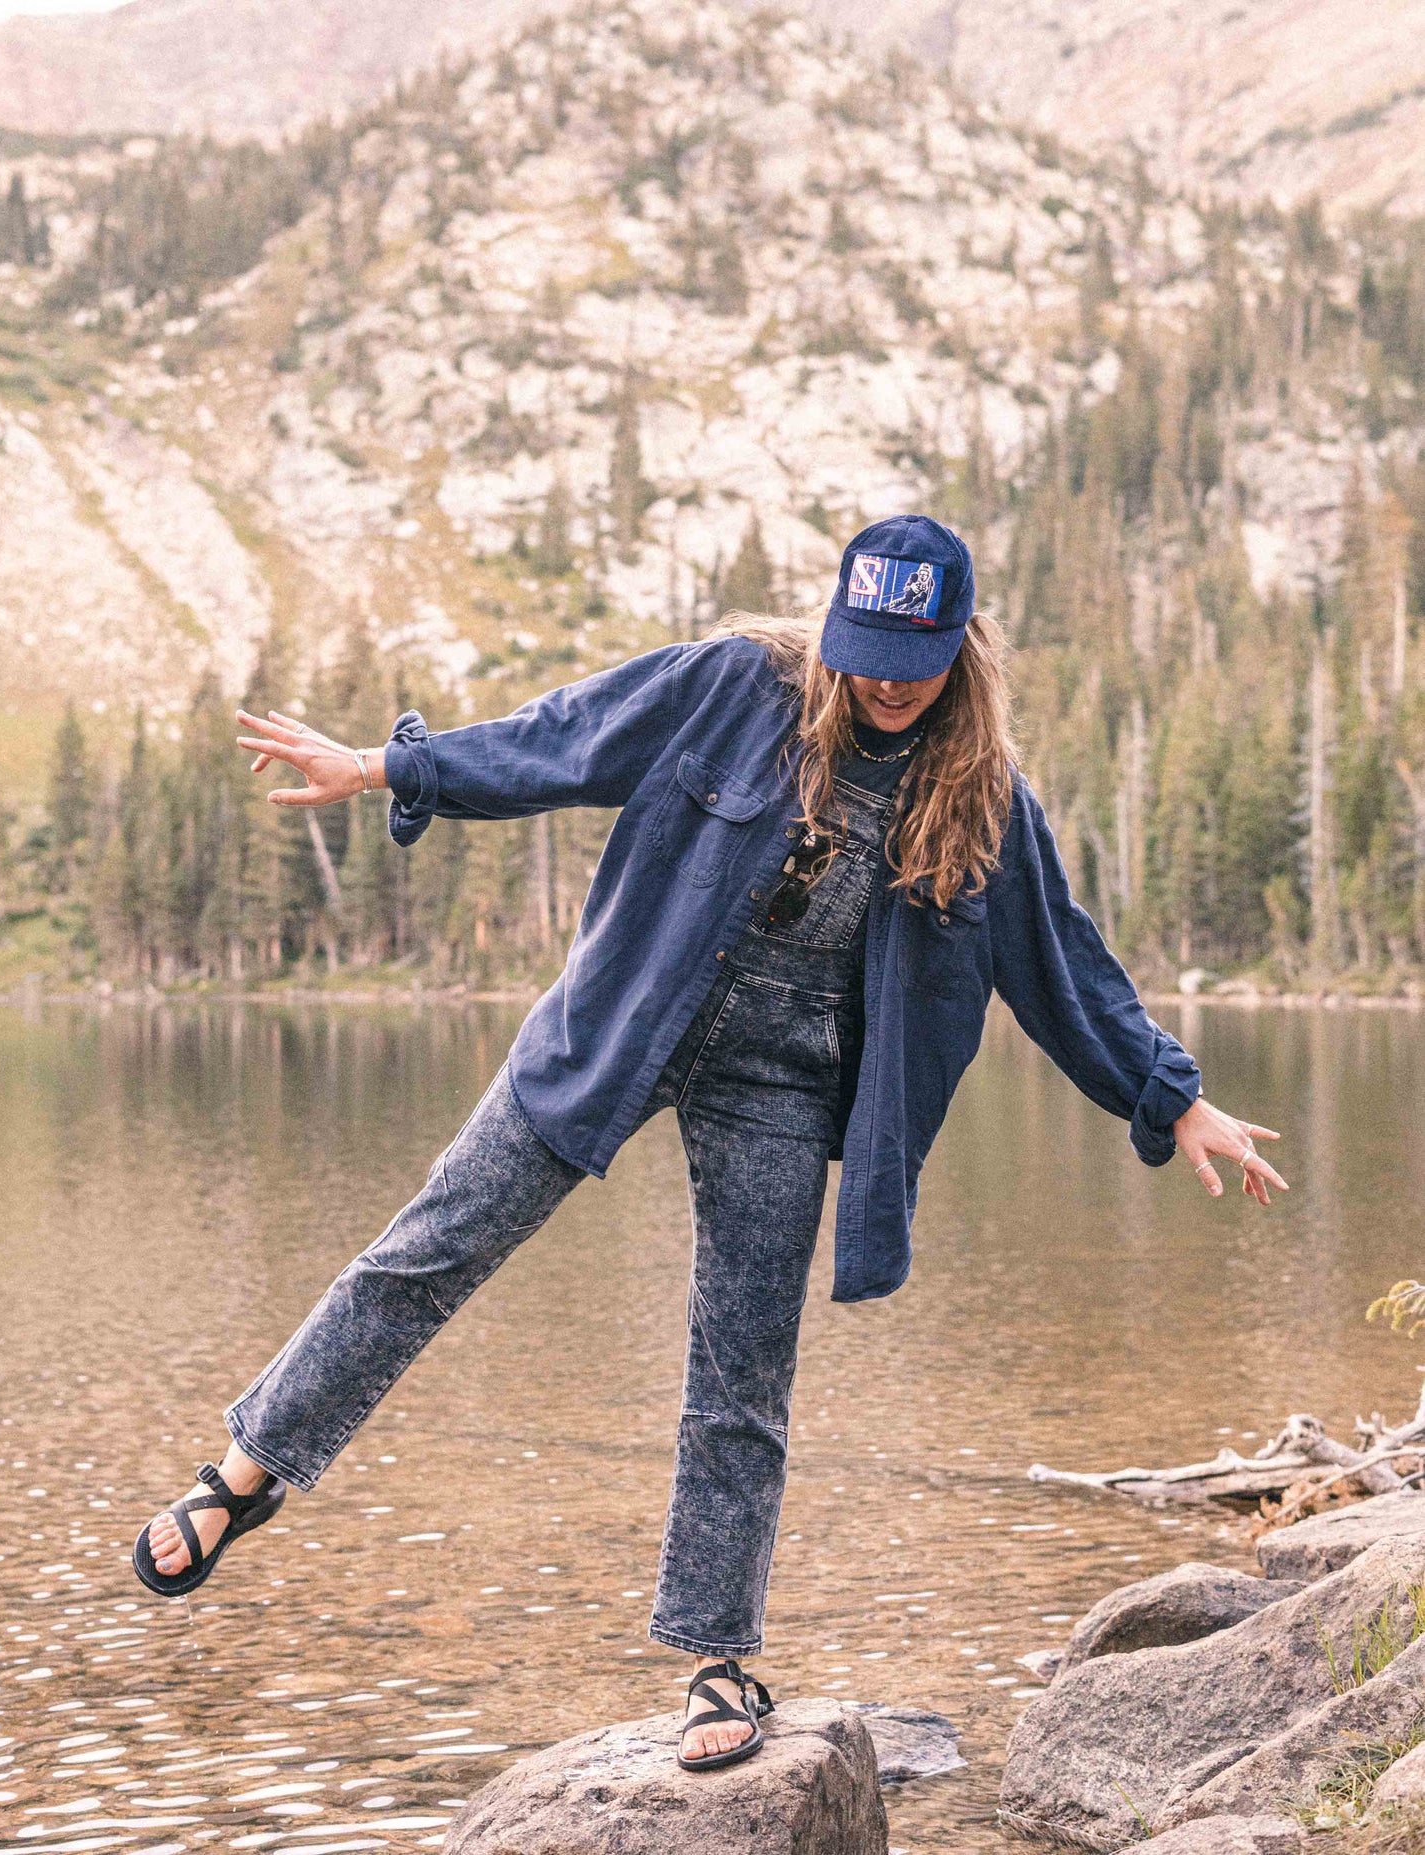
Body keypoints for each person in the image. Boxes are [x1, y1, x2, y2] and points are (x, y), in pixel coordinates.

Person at [133, 514, 1286, 1772]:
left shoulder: (986, 802)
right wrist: (380, 767)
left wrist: (1175, 1098)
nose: (890, 680)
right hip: (622, 1020)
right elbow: (560, 742)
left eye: (917, 657)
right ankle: (243, 1470)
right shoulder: (735, 686)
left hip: (786, 1082)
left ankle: (717, 1659)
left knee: (741, 1369)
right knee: (432, 1244)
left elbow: (1068, 972)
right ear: (835, 628)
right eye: (868, 651)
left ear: (964, 648)